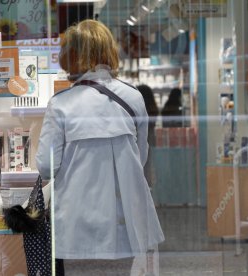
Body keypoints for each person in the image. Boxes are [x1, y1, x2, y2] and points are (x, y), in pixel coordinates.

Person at [36, 19, 164, 275]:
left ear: (70, 56)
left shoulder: (61, 104)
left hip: (76, 224)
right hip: (124, 221)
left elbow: (47, 166)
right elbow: (140, 156)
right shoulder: (132, 97)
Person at [137, 84, 159, 187]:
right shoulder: (153, 109)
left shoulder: (138, 108)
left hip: (140, 139)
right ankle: (149, 183)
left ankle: (143, 184)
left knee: (140, 162)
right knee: (150, 162)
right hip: (151, 138)